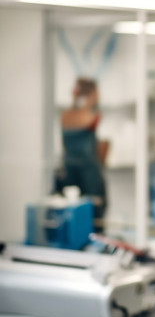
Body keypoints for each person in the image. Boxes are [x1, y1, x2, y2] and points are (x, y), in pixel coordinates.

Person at [55, 77, 108, 232]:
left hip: (69, 170)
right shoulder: (92, 116)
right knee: (94, 213)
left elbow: (64, 144)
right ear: (90, 95)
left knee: (72, 214)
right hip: (89, 174)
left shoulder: (65, 116)